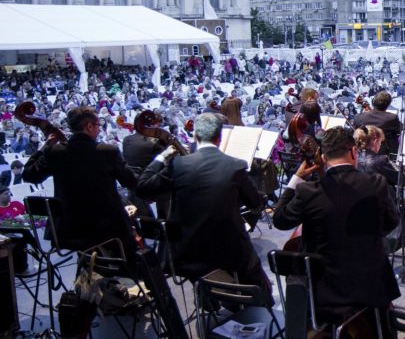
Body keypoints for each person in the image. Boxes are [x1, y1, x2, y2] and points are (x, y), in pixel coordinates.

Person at [273, 127, 400, 328]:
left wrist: (296, 179)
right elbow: (392, 222)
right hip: (372, 286)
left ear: (323, 158)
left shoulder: (308, 191)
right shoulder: (377, 183)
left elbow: (279, 220)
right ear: (353, 152)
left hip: (326, 292)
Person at [137, 113, 271, 297]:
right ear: (220, 138)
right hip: (227, 252)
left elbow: (142, 188)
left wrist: (161, 157)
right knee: (255, 274)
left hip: (186, 254)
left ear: (195, 136)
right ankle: (254, 298)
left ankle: (210, 295)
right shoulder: (235, 166)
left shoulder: (178, 165)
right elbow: (256, 203)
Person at [23, 107, 139, 259]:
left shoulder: (55, 152)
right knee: (133, 232)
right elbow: (131, 181)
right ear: (89, 126)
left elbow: (29, 175)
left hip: (68, 230)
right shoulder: (107, 151)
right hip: (106, 229)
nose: (99, 129)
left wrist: (46, 145)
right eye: (98, 126)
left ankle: (90, 271)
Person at [122, 123, 167, 219]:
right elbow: (164, 160)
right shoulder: (154, 142)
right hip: (149, 183)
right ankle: (165, 217)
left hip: (133, 183)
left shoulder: (126, 140)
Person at [351, 91, 402, 155]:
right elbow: (399, 130)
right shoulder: (392, 118)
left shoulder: (358, 117)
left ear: (373, 102)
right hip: (384, 154)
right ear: (388, 104)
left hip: (361, 154)